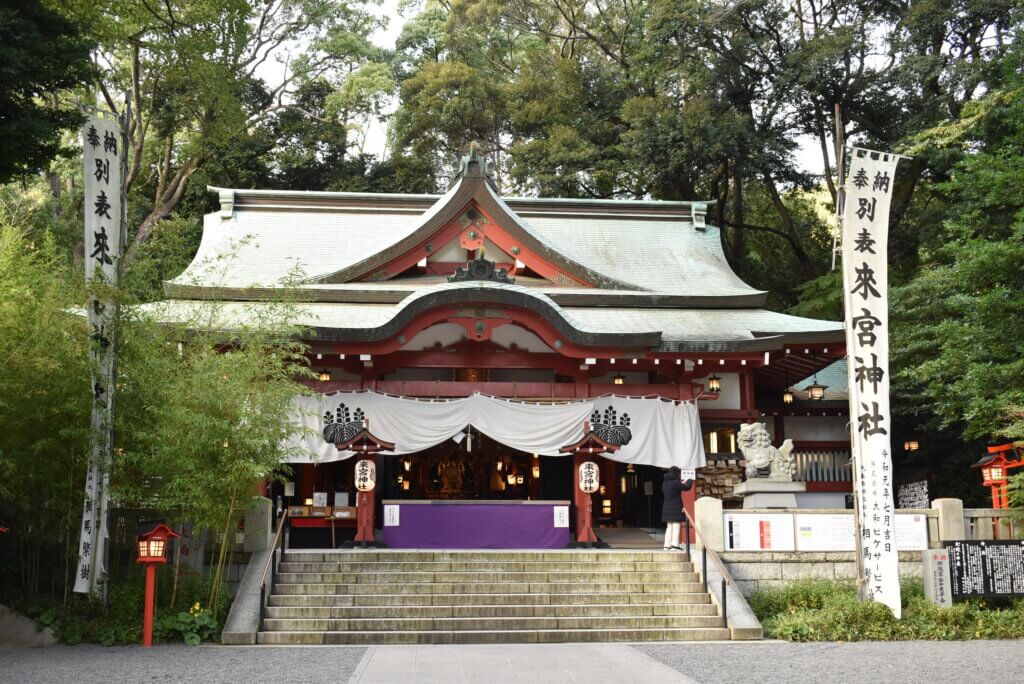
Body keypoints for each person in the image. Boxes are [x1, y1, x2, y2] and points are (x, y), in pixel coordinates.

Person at [661, 466, 694, 551]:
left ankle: (666, 545)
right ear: (676, 473)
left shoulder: (665, 483)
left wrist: (682, 482)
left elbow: (678, 486)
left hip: (666, 506)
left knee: (669, 526)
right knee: (676, 525)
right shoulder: (675, 483)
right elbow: (687, 487)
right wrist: (690, 479)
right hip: (675, 506)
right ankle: (675, 545)